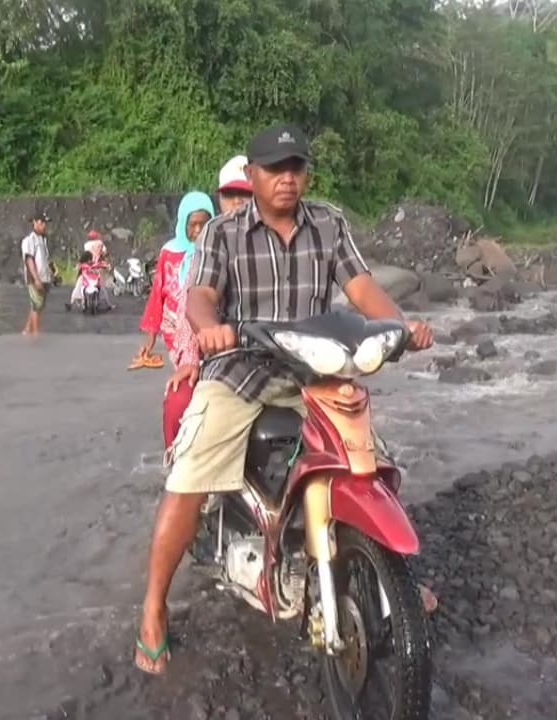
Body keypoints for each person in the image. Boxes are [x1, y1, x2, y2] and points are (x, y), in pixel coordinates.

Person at [133, 124, 436, 674]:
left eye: (295, 167)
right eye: (275, 168)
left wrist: (399, 327)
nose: (287, 179)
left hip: (314, 370)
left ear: (306, 174)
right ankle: (153, 606)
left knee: (372, 460)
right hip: (240, 369)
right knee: (191, 473)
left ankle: (396, 578)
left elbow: (362, 288)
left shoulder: (329, 223)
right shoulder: (221, 233)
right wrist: (209, 328)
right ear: (252, 176)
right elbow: (201, 296)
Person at [135, 191, 213, 450]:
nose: (199, 231)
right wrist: (150, 338)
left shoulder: (216, 253)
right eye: (193, 225)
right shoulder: (170, 253)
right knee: (185, 382)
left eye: (205, 223)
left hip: (208, 330)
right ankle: (177, 449)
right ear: (182, 224)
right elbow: (157, 294)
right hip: (176, 331)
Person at [21, 212, 52, 336]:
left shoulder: (43, 240)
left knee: (38, 305)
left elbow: (45, 260)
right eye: (42, 222)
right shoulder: (30, 240)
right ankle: (36, 333)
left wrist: (52, 272)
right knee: (36, 305)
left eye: (45, 223)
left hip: (44, 277)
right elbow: (29, 260)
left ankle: (28, 329)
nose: (44, 225)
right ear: (35, 222)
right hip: (34, 278)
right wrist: (36, 279)